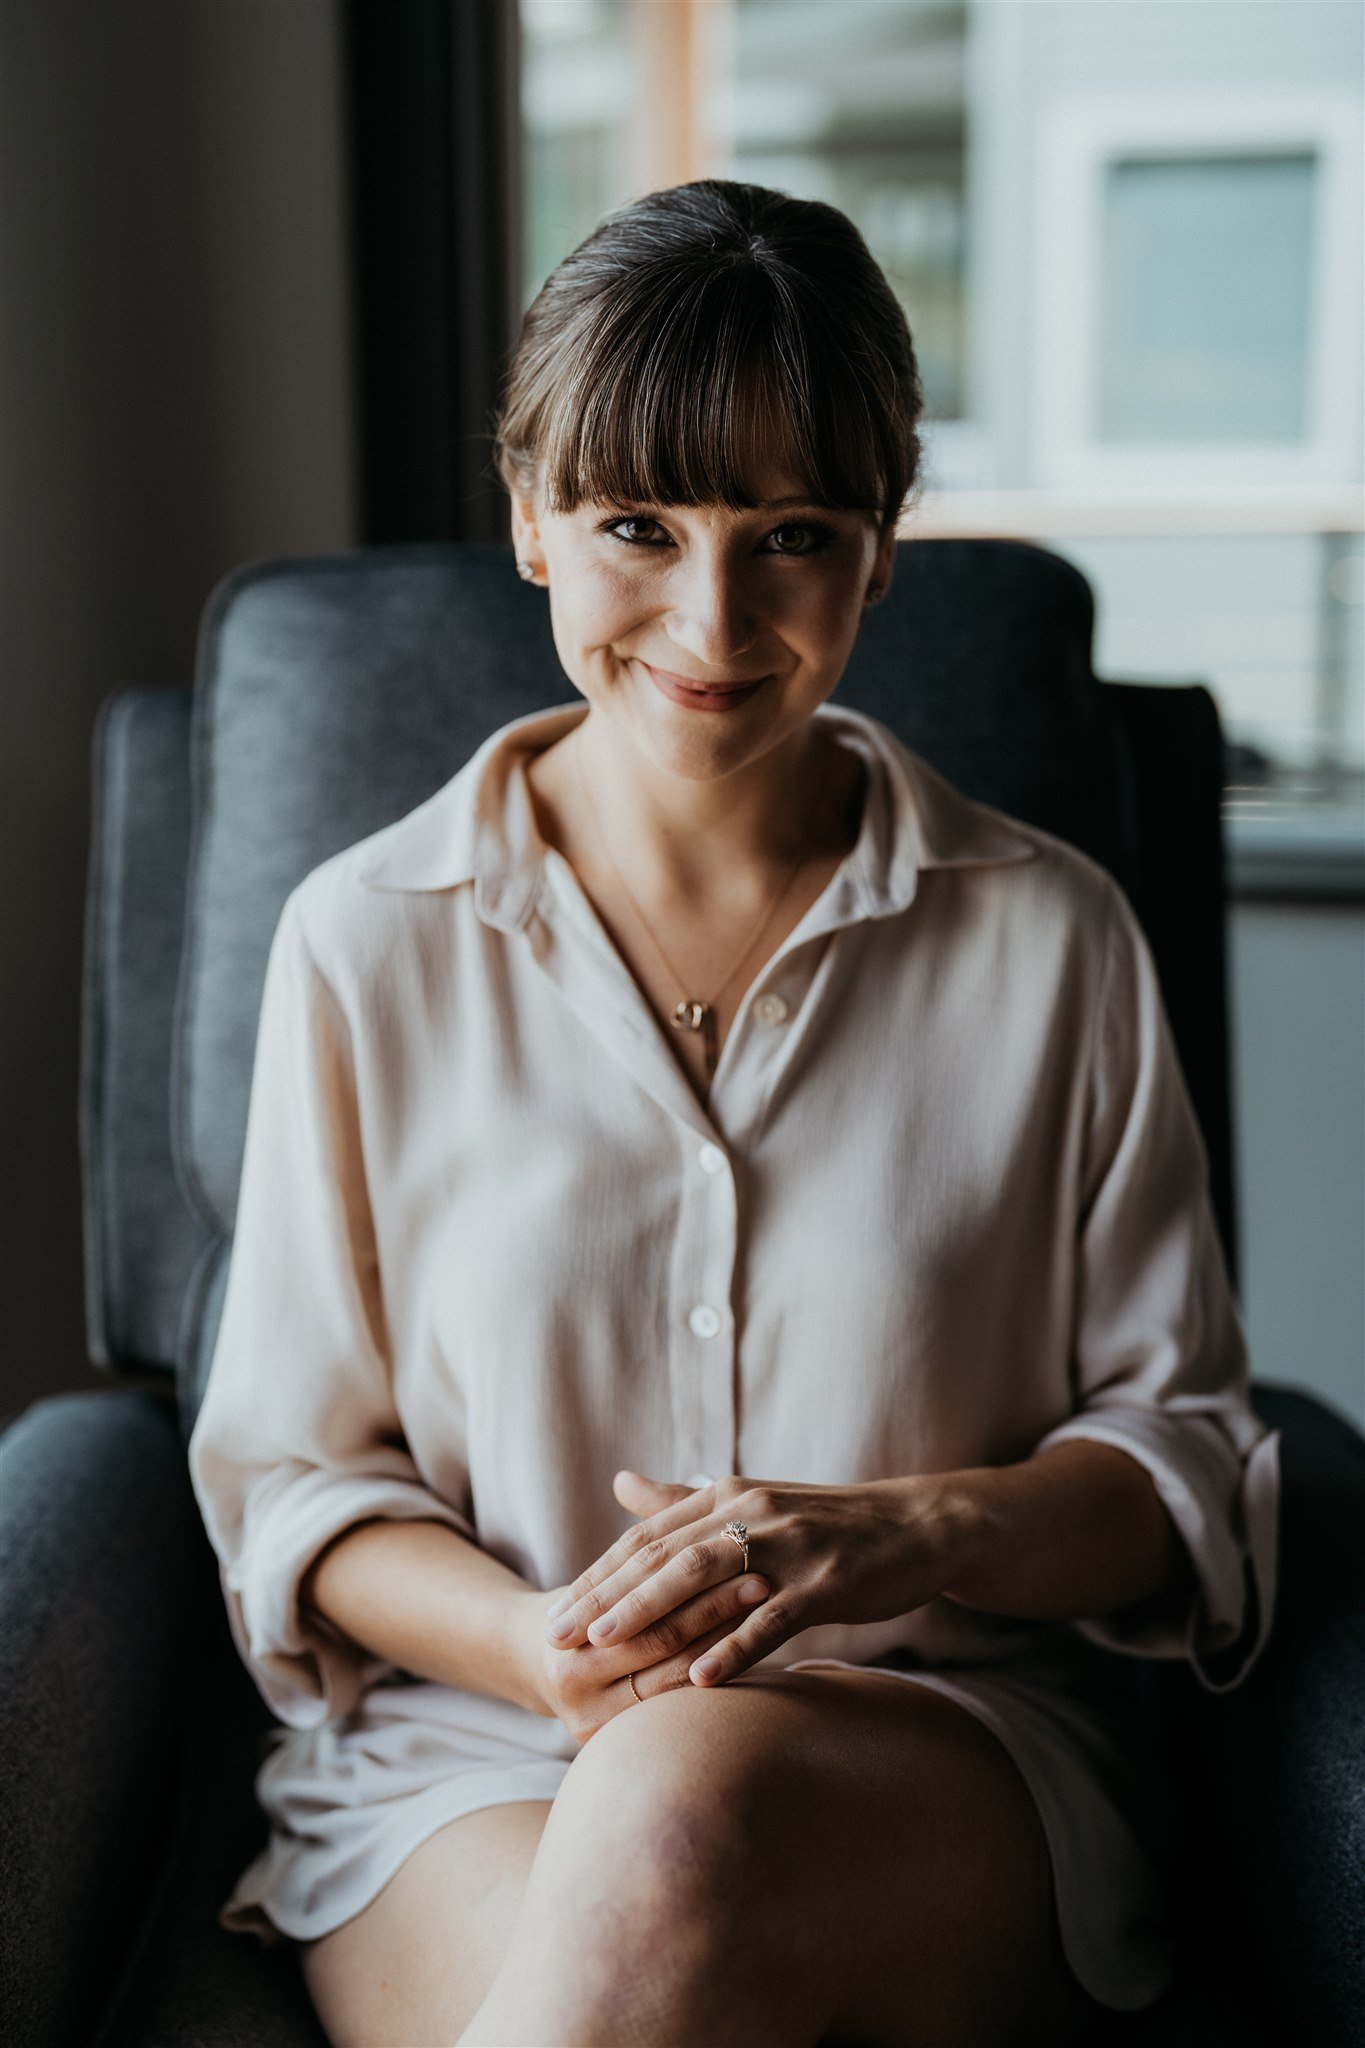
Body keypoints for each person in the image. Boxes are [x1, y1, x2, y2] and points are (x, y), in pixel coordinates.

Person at [187, 180, 1280, 2048]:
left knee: (681, 1807)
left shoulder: (1052, 938)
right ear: (530, 519)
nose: (712, 618)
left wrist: (900, 1533)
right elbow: (296, 1486)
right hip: (467, 1759)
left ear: (878, 552)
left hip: (931, 1746)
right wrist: (539, 1648)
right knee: (646, 1853)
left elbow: (1174, 1465)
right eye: (636, 524)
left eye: (790, 534)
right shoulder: (362, 942)